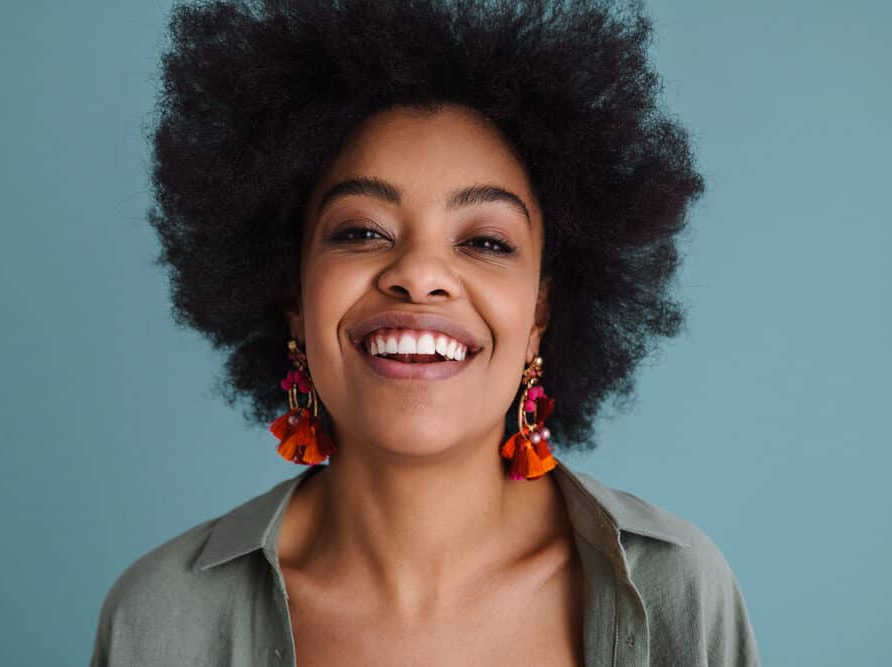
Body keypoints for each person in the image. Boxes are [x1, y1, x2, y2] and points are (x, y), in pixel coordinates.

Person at [90, 0, 760, 664]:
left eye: (486, 241)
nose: (419, 274)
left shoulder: (679, 591)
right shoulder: (158, 620)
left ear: (540, 317)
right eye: (361, 231)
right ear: (294, 296)